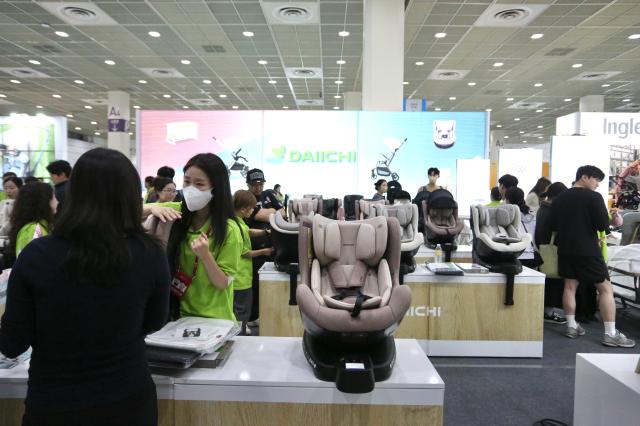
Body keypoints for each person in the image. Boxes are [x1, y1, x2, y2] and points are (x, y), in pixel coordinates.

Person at [0, 148, 170, 425]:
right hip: (129, 401)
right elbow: (155, 321)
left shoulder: (37, 255)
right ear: (129, 196)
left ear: (73, 193)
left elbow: (12, 342)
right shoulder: (149, 253)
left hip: (55, 404)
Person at [146, 153, 243, 321]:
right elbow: (131, 210)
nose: (190, 189)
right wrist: (153, 208)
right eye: (187, 181)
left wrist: (205, 257)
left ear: (216, 188)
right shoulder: (178, 212)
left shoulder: (229, 230)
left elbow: (223, 283)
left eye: (199, 184)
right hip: (179, 316)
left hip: (214, 320)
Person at [551, 165, 635, 347]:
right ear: (584, 177)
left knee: (570, 286)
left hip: (565, 248)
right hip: (588, 249)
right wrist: (614, 220)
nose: (597, 184)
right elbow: (602, 225)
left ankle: (572, 326)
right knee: (605, 288)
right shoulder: (593, 197)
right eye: (596, 180)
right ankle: (611, 333)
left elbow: (554, 225)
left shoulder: (560, 198)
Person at [244, 168, 285, 328]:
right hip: (253, 244)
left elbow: (282, 212)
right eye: (254, 184)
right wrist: (271, 212)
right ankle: (251, 316)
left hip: (271, 244)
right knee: (253, 283)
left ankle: (262, 314)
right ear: (248, 184)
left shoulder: (268, 193)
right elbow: (262, 216)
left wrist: (269, 212)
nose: (258, 187)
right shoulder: (246, 198)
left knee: (268, 281)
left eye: (260, 184)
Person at [233, 190, 274, 335]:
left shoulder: (237, 221)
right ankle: (240, 339)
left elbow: (247, 231)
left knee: (242, 312)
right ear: (244, 209)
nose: (253, 211)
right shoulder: (233, 227)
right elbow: (245, 253)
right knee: (240, 314)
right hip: (239, 279)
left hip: (243, 277)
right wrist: (264, 251)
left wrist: (265, 232)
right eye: (251, 208)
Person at [534, 182, 568, 324]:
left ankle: (546, 311)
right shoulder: (553, 209)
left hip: (542, 247)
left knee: (548, 280)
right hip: (551, 248)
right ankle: (548, 313)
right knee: (553, 280)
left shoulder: (543, 207)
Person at [6, 182, 57, 266]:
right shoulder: (35, 230)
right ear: (44, 202)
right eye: (54, 197)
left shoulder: (32, 226)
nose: (57, 202)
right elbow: (37, 265)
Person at [504, 187, 536, 262]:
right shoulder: (533, 216)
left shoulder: (508, 217)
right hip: (531, 256)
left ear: (508, 200)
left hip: (515, 256)